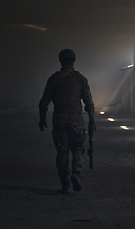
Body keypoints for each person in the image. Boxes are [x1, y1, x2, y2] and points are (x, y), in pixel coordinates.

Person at [38, 49, 96, 193]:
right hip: (76, 119)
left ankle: (65, 182)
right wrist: (92, 120)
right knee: (77, 149)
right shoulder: (80, 78)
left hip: (59, 119)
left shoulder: (54, 78)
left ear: (60, 60)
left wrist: (42, 118)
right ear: (74, 61)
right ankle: (76, 174)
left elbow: (44, 101)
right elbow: (89, 102)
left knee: (62, 152)